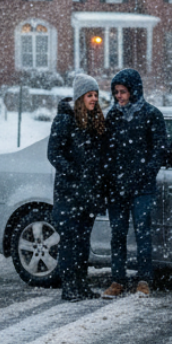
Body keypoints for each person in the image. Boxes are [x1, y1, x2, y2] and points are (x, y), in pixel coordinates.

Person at [102, 68, 168, 298]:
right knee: (117, 233)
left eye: (123, 92)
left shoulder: (151, 115)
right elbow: (106, 151)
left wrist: (146, 172)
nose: (119, 96)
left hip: (142, 187)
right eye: (116, 92)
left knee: (143, 233)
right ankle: (117, 280)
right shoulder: (113, 116)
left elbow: (160, 149)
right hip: (117, 187)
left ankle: (144, 280)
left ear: (134, 91)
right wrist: (111, 177)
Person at [47, 74, 107, 301]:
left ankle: (81, 285)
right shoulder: (64, 120)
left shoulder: (94, 120)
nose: (93, 99)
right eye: (90, 95)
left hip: (88, 194)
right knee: (70, 243)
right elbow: (54, 154)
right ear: (80, 97)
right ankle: (69, 287)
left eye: (95, 95)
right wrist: (75, 173)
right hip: (69, 193)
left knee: (83, 242)